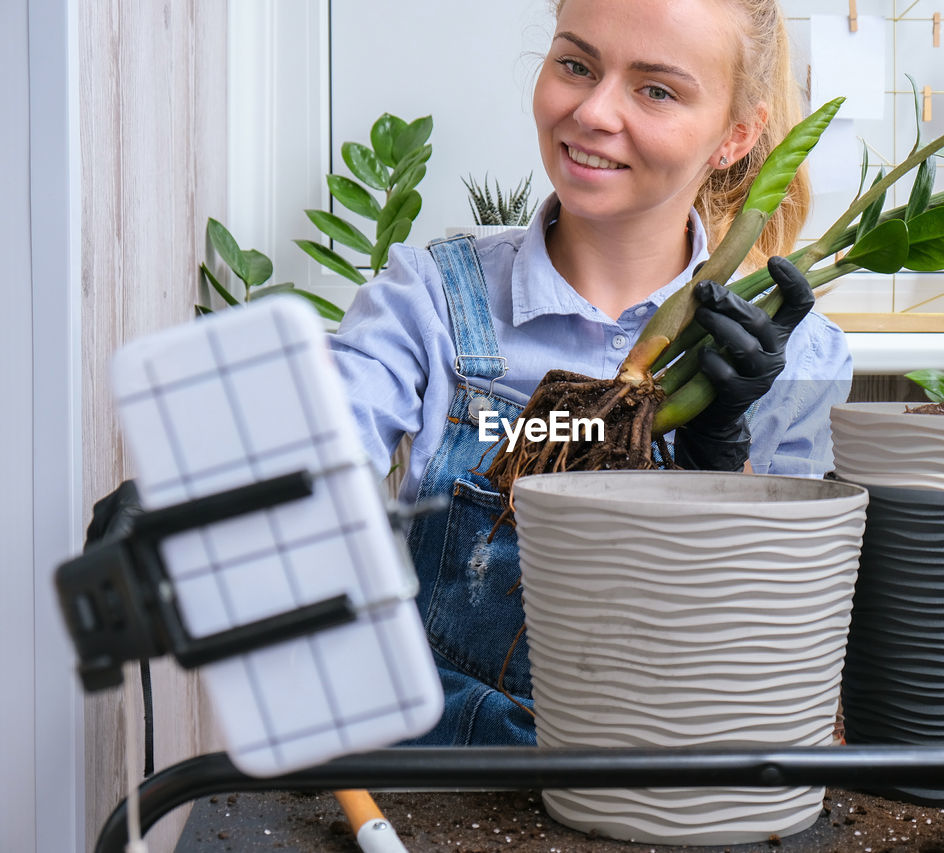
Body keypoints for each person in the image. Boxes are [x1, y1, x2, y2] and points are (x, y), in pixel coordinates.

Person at [328, 0, 854, 746]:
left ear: (735, 136)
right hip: (434, 793)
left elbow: (784, 651)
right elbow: (316, 460)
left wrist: (720, 462)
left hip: (676, 804)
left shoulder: (799, 356)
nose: (594, 112)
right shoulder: (431, 301)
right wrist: (206, 506)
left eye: (656, 90)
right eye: (576, 65)